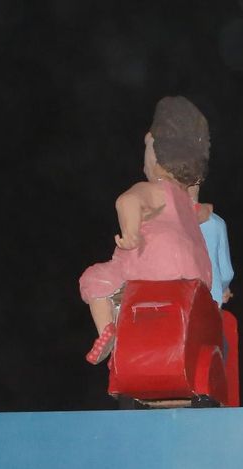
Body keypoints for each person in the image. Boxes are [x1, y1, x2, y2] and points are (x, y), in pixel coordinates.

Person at [78, 96, 213, 364]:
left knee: (93, 279)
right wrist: (198, 201)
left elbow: (126, 201)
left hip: (151, 266)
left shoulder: (154, 189)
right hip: (197, 276)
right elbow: (205, 213)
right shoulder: (185, 203)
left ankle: (107, 329)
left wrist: (131, 234)